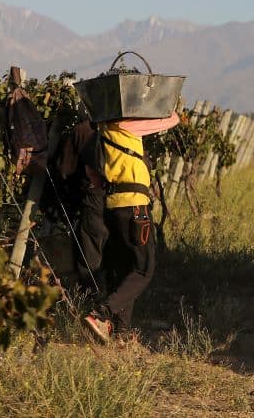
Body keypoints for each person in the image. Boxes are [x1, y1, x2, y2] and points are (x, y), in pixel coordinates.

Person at [81, 110, 181, 343]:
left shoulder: (100, 133)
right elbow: (171, 119)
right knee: (144, 268)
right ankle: (101, 314)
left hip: (112, 207)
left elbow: (92, 174)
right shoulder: (128, 126)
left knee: (125, 269)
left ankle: (120, 333)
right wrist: (165, 102)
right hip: (134, 206)